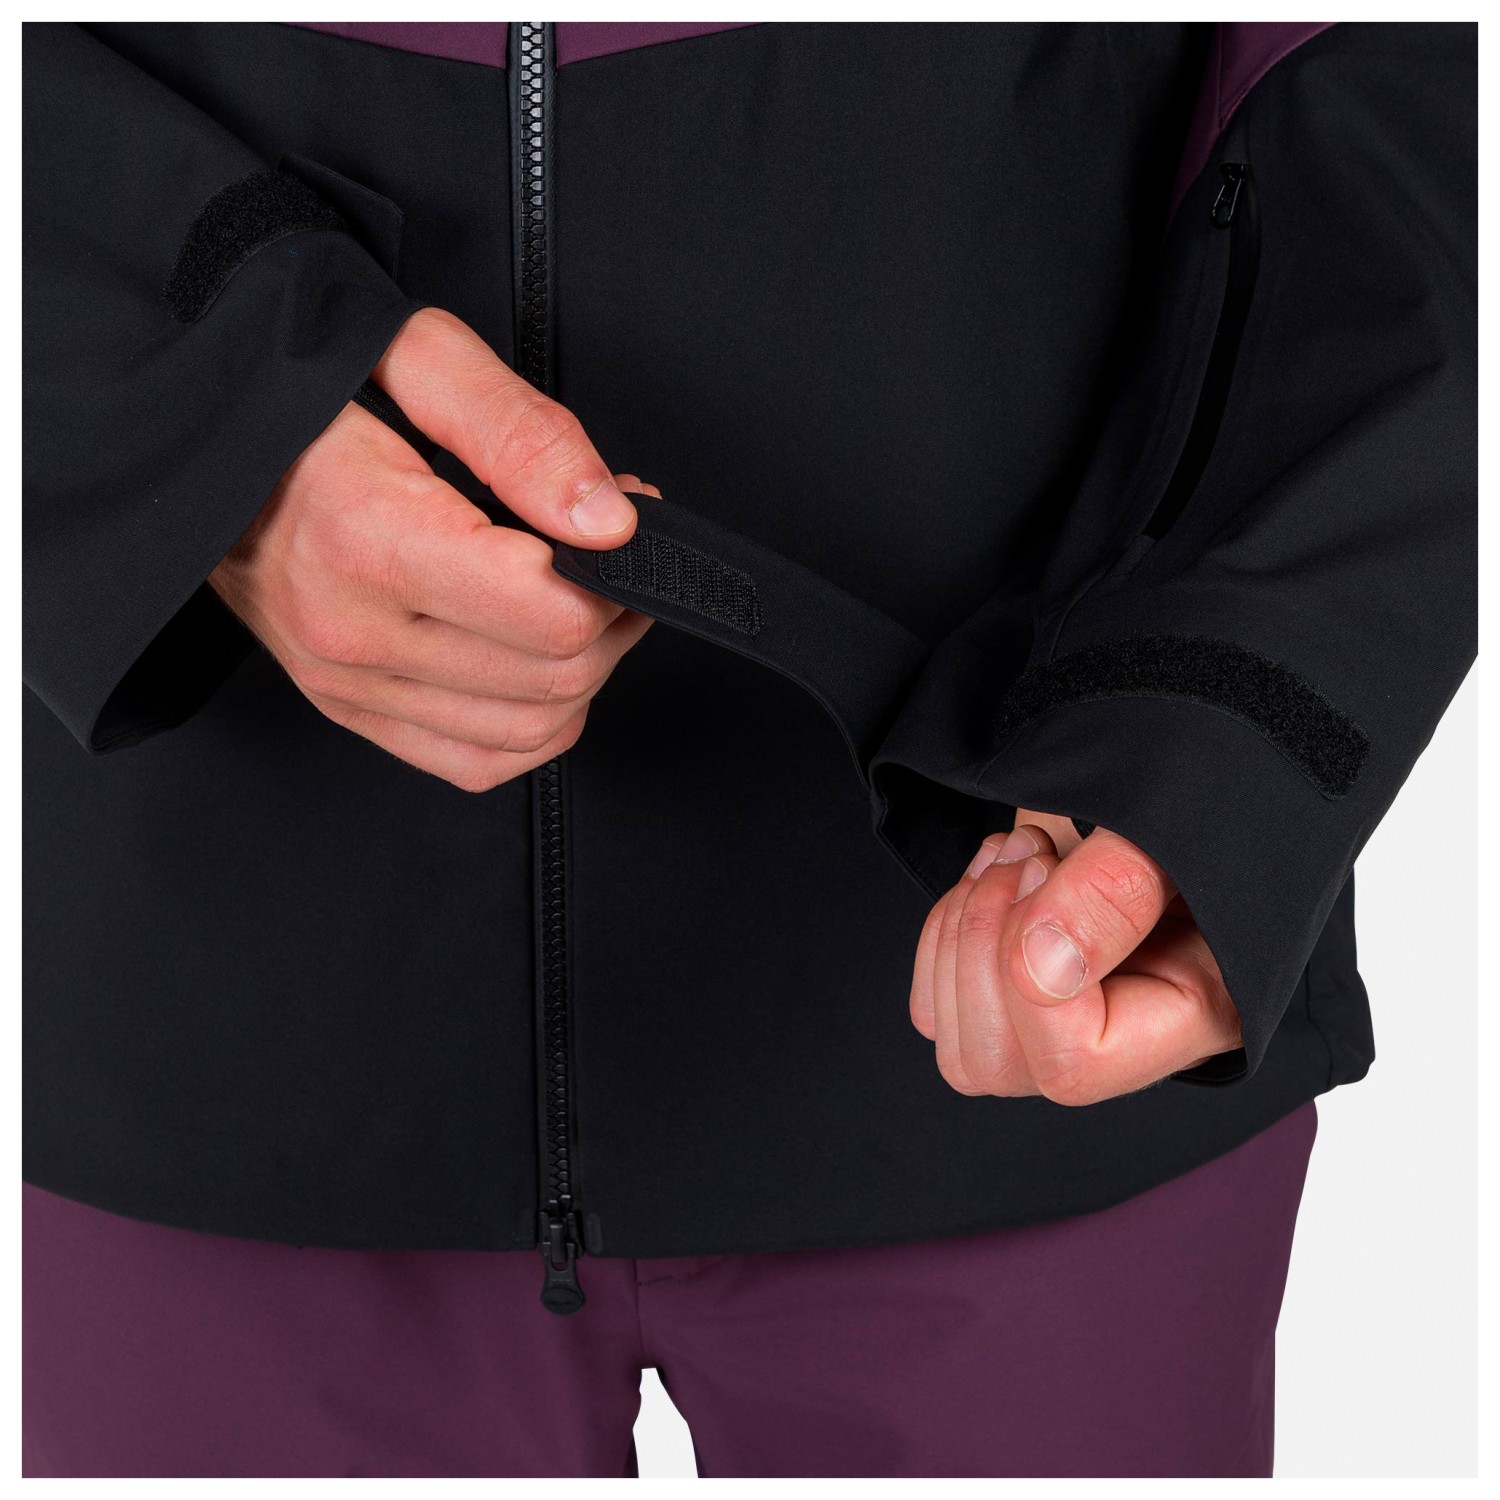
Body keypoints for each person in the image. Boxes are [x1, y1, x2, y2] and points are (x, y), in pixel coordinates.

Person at [22, 20, 1476, 1478]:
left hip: (1038, 979)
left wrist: (1226, 738)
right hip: (208, 1047)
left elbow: (1398, 78)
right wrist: (203, 423)